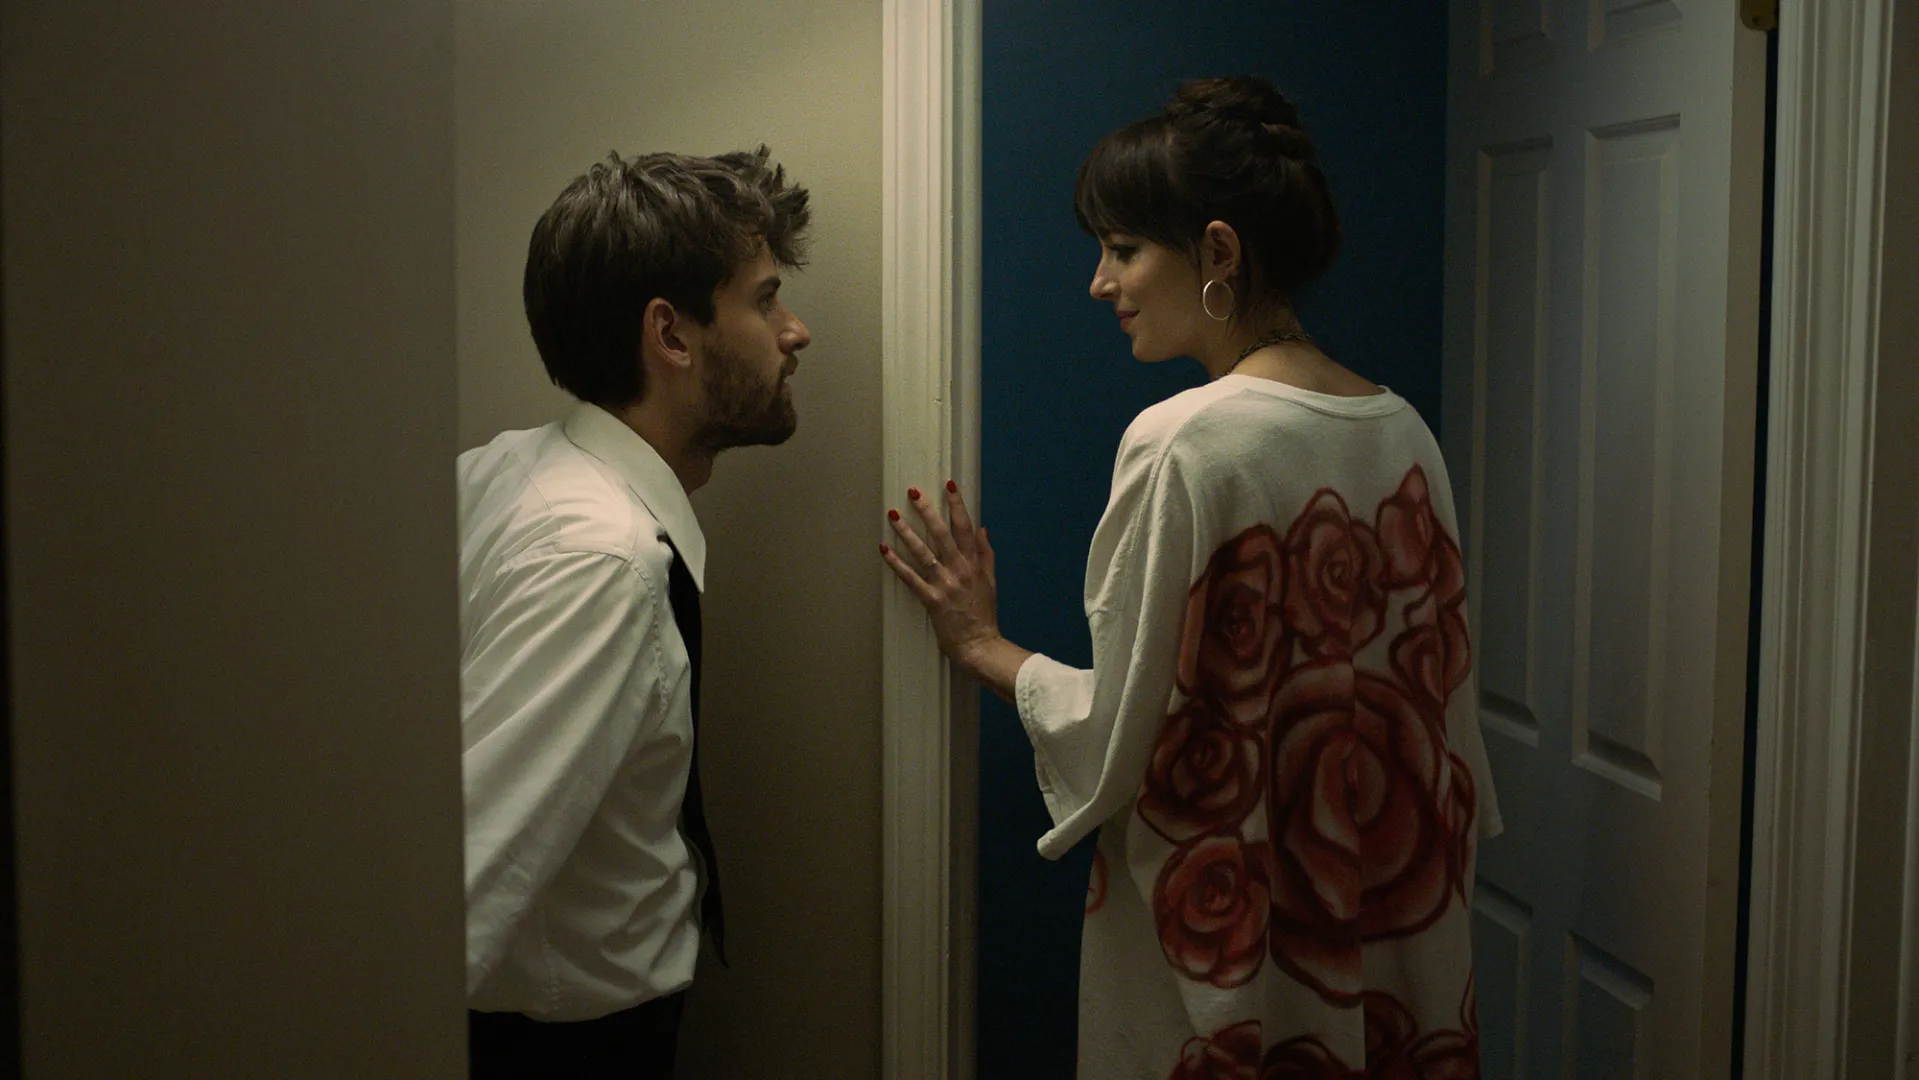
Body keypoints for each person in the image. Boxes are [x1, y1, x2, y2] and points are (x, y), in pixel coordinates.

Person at [881, 76, 1502, 1079]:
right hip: (1392, 922)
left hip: (1241, 952)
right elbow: (1445, 739)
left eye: (1122, 248)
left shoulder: (1185, 443)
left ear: (1217, 252)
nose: (1100, 283)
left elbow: (1121, 736)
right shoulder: (1403, 433)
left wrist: (979, 645)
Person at [458, 146, 811, 1078]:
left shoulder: (505, 470)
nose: (795, 331)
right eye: (765, 300)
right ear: (672, 335)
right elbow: (468, 877)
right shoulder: (602, 563)